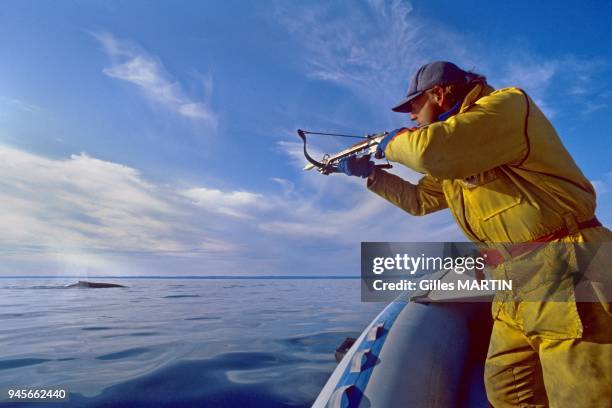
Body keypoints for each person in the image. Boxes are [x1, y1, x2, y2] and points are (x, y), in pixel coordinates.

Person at [337, 61, 612, 407]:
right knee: (508, 388)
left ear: (438, 94)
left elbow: (430, 151)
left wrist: (391, 144)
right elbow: (420, 200)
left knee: (583, 396)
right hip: (513, 282)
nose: (410, 117)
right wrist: (372, 176)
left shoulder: (506, 106)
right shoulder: (459, 151)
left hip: (567, 266)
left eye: (414, 106)